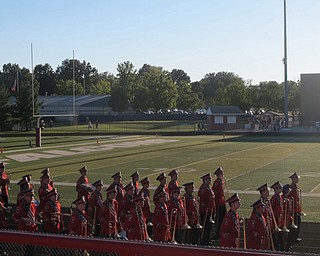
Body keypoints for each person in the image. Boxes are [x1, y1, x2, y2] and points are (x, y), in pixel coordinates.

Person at [198, 173, 215, 246]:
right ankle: (204, 240)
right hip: (205, 211)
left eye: (210, 179)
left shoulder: (208, 187)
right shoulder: (203, 189)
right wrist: (206, 209)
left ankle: (207, 239)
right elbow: (202, 201)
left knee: (208, 227)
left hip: (210, 210)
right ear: (205, 180)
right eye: (209, 179)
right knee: (205, 227)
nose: (210, 180)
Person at [257, 183, 274, 250]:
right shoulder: (260, 203)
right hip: (264, 225)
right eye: (267, 190)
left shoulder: (267, 201)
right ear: (263, 192)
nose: (268, 192)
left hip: (269, 224)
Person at [288, 172, 303, 245]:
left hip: (297, 209)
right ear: (293, 179)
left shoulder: (295, 187)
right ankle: (292, 240)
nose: (298, 179)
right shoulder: (291, 188)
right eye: (296, 178)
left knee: (298, 224)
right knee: (294, 226)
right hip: (293, 210)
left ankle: (295, 238)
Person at [212, 167, 226, 239]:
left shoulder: (221, 181)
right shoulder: (217, 182)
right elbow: (214, 191)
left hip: (222, 202)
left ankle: (221, 231)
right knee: (218, 218)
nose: (223, 174)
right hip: (218, 203)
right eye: (221, 173)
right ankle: (217, 233)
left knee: (222, 217)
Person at [270, 181, 285, 251]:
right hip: (276, 220)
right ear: (275, 189)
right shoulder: (274, 199)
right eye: (279, 188)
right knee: (276, 238)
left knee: (280, 237)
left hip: (280, 220)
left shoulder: (280, 197)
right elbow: (272, 211)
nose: (281, 189)